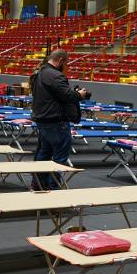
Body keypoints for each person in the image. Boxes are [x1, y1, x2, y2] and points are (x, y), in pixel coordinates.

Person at [31, 49, 88, 189]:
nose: (66, 66)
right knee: (59, 157)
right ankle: (54, 188)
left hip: (42, 119)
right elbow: (68, 96)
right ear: (61, 60)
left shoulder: (39, 73)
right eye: (66, 63)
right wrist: (80, 94)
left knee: (44, 153)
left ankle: (38, 184)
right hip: (56, 121)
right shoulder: (56, 75)